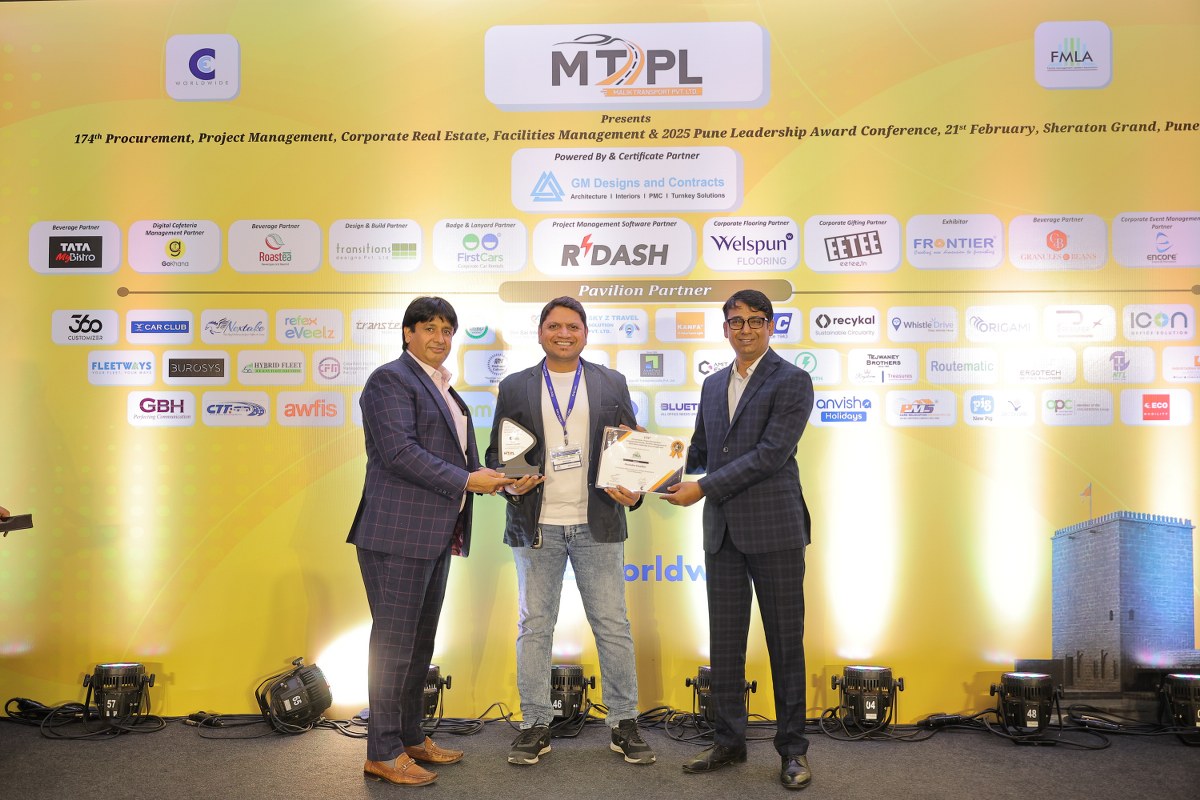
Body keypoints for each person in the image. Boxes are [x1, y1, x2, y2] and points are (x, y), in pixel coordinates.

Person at [348, 296, 513, 786]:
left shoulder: (443, 387)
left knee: (419, 644)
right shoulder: (389, 380)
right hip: (396, 533)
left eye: (447, 331)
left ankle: (409, 737)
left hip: (435, 533)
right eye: (429, 328)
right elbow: (399, 453)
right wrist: (467, 481)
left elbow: (457, 457)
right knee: (393, 646)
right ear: (408, 333)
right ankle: (382, 752)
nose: (440, 339)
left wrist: (499, 478)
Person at [485, 296, 655, 767]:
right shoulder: (515, 385)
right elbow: (498, 452)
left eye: (573, 326)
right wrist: (508, 482)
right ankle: (535, 724)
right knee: (534, 627)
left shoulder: (610, 381)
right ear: (541, 332)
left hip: (597, 521)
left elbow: (632, 449)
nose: (564, 334)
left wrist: (636, 490)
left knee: (613, 625)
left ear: (585, 333)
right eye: (555, 326)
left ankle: (624, 722)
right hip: (536, 523)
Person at [661, 288, 815, 790]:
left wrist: (702, 488)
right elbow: (701, 451)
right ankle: (728, 741)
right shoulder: (712, 384)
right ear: (724, 328)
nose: (744, 329)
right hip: (723, 531)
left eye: (754, 320)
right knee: (725, 644)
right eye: (735, 321)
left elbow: (771, 454)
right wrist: (647, 461)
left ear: (771, 326)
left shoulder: (792, 380)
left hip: (774, 528)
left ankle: (793, 750)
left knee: (784, 644)